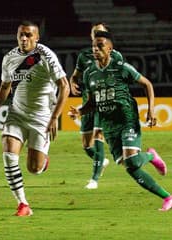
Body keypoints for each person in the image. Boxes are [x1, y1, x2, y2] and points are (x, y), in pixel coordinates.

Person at [68, 31, 172, 211]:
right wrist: (80, 111)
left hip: (127, 119)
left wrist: (151, 110)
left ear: (110, 48)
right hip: (108, 125)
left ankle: (151, 157)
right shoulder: (89, 73)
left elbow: (147, 84)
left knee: (133, 162)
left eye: (100, 46)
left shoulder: (120, 67)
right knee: (128, 166)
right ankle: (168, 196)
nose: (96, 49)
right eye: (94, 46)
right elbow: (93, 102)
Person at [0, 20, 70, 217]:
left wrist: (54, 118)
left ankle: (42, 163)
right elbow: (5, 86)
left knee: (34, 168)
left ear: (37, 37)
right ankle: (23, 204)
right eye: (21, 35)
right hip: (17, 114)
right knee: (8, 153)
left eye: (28, 35)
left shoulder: (45, 55)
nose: (24, 39)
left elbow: (64, 86)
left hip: (42, 118)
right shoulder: (9, 58)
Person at [69, 22, 124, 189]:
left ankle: (94, 180)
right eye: (95, 32)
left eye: (101, 32)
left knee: (98, 136)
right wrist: (72, 84)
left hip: (104, 103)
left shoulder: (116, 56)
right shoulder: (84, 55)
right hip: (87, 103)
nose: (97, 34)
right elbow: (75, 76)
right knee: (86, 145)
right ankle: (102, 161)